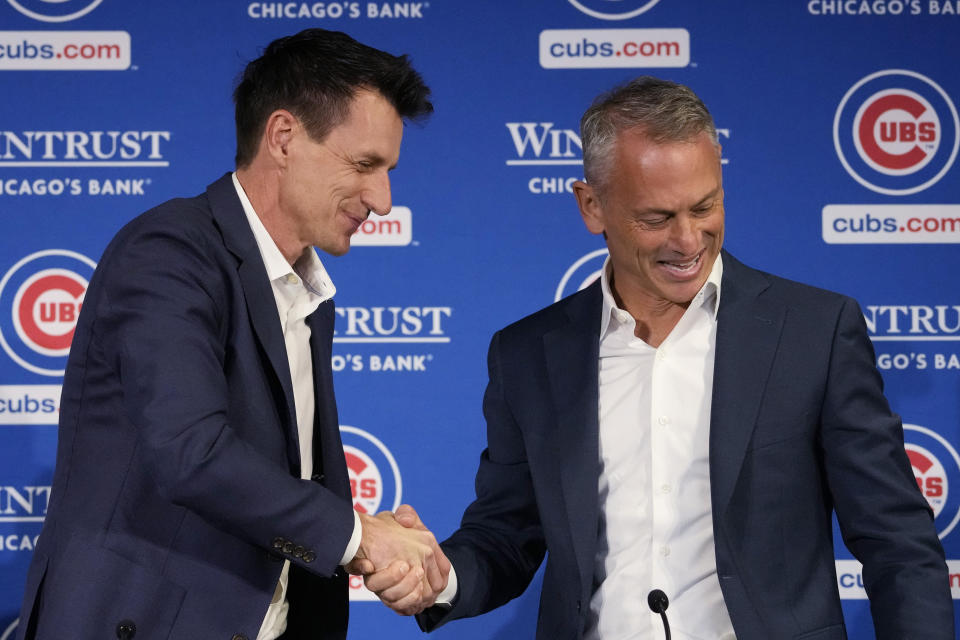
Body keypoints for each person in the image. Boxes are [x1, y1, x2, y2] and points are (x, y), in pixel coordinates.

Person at [363, 77, 954, 639]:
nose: (689, 240)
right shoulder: (526, 356)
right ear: (591, 206)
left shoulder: (813, 333)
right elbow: (506, 535)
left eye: (705, 206)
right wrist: (441, 577)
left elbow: (896, 541)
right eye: (658, 218)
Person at [16, 28, 448, 640]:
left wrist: (379, 538)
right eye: (364, 164)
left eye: (388, 170)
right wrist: (357, 537)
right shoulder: (170, 251)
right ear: (283, 137)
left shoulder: (307, 291)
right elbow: (190, 453)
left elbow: (280, 480)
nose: (382, 199)